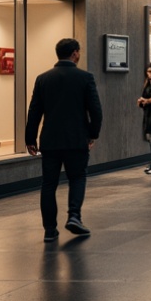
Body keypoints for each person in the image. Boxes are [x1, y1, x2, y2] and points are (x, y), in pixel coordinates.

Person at [26, 38, 102, 241]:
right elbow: (95, 110)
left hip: (50, 140)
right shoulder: (85, 77)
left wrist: (30, 138)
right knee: (77, 177)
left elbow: (34, 111)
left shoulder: (43, 78)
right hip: (76, 139)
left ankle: (50, 230)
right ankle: (74, 216)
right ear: (75, 53)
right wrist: (92, 134)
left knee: (48, 184)